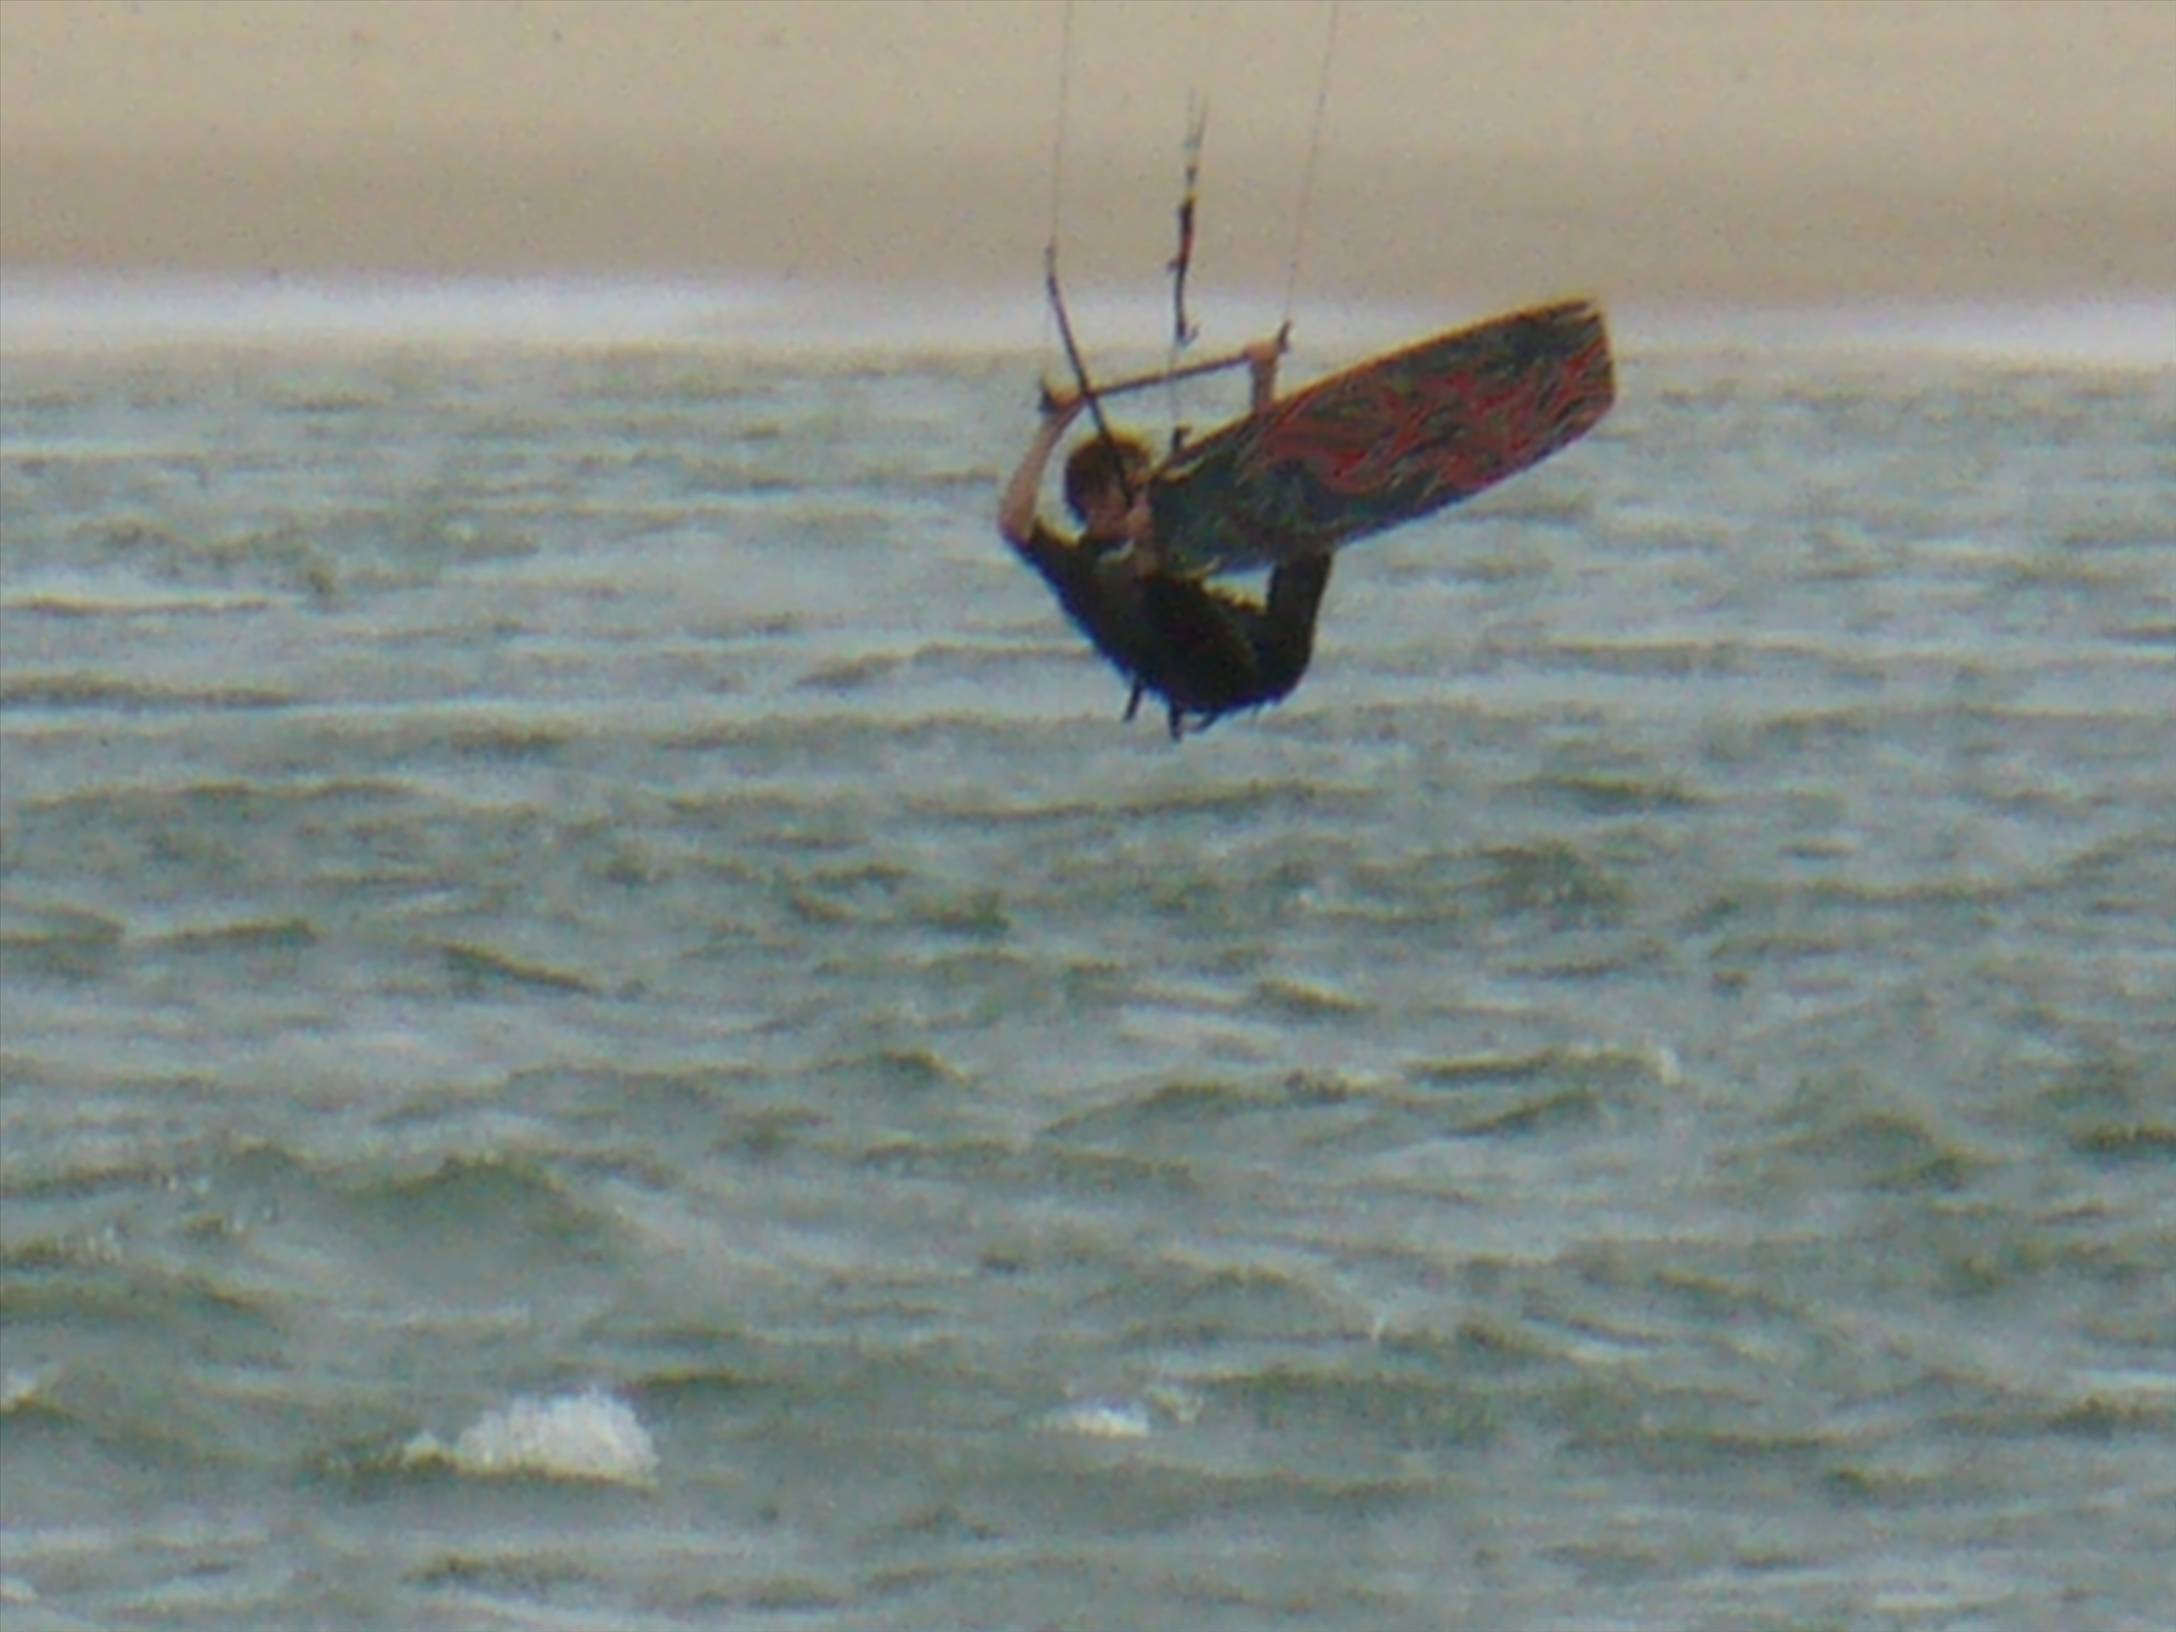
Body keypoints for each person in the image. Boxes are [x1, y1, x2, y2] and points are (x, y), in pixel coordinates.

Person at [996, 336, 1334, 740]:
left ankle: (1323, 519)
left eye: (1148, 486)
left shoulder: (1169, 523)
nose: (1147, 498)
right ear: (1093, 504)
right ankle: (1153, 562)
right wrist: (1052, 428)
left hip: (1272, 661)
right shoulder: (1079, 570)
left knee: (1300, 529)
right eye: (1133, 490)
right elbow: (1014, 524)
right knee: (1161, 580)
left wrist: (1262, 380)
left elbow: (1257, 481)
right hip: (1200, 676)